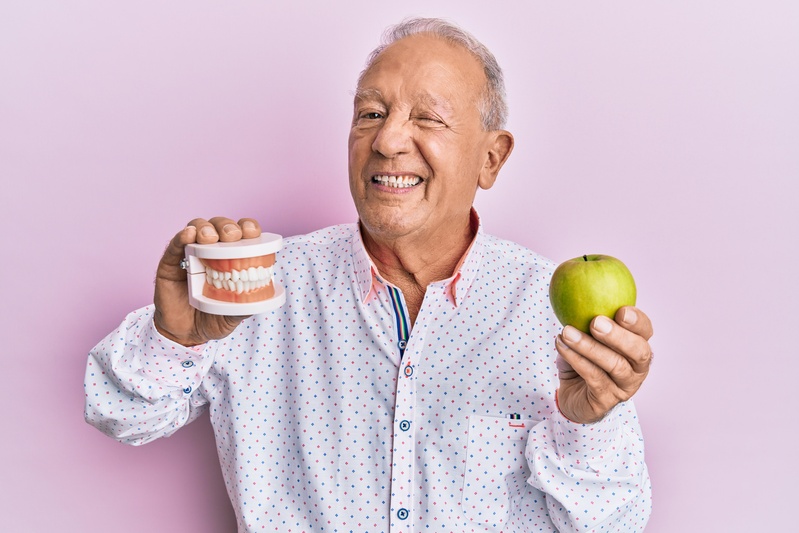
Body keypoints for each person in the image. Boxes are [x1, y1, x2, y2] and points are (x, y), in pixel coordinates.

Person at [85, 17, 654, 532]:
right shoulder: (252, 285)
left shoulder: (548, 312)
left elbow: (612, 525)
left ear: (491, 159)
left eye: (427, 118)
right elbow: (119, 413)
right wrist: (175, 337)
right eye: (371, 114)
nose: (386, 141)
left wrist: (586, 423)